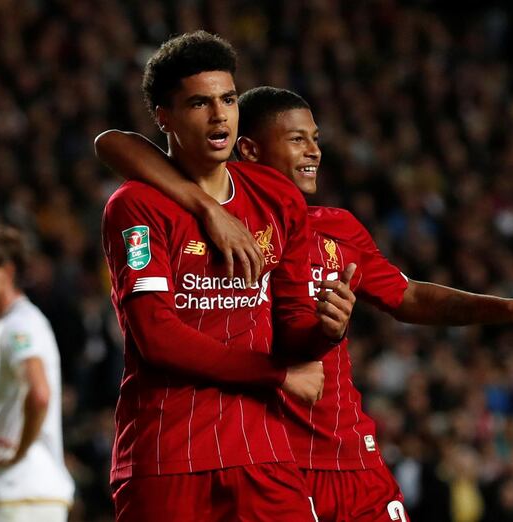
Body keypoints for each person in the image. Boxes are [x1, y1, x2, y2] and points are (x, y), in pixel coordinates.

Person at [95, 87, 513, 521]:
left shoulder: (337, 228)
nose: (314, 151)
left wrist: (508, 308)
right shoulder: (224, 225)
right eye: (298, 139)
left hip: (352, 456)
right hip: (271, 458)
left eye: (315, 138)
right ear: (250, 150)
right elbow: (115, 144)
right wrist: (201, 206)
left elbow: (406, 295)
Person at [99, 32, 356, 521]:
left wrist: (326, 330)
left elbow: (292, 328)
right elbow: (158, 338)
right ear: (163, 116)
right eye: (199, 103)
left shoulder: (278, 199)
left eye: (228, 99)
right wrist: (277, 375)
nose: (219, 115)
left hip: (263, 453)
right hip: (166, 456)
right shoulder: (136, 206)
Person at [0, 224, 74, 522]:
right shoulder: (10, 323)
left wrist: (18, 454)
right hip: (26, 496)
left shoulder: (19, 325)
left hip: (22, 494)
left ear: (4, 271)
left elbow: (40, 394)